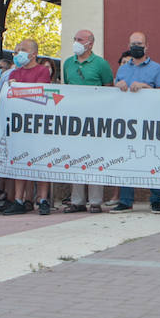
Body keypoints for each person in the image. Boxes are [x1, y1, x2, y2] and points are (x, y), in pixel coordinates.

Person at [113, 31, 160, 212]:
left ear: (146, 46)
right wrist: (117, 86)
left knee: (152, 159)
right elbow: (114, 93)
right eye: (133, 44)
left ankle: (156, 199)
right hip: (127, 121)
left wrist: (146, 87)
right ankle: (126, 200)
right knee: (126, 158)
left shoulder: (156, 68)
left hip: (149, 122)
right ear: (128, 46)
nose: (136, 47)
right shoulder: (122, 69)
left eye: (139, 43)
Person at [0, 38, 55, 215]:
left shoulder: (42, 71)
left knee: (42, 161)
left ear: (33, 54)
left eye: (22, 50)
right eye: (17, 50)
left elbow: (40, 93)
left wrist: (19, 91)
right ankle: (18, 199)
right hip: (19, 123)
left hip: (38, 123)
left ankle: (43, 199)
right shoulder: (15, 73)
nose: (18, 53)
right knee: (19, 160)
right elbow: (11, 94)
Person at [62, 28, 115, 213]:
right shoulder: (68, 63)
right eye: (74, 38)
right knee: (75, 157)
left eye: (80, 39)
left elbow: (109, 88)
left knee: (94, 158)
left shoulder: (101, 64)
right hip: (74, 120)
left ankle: (95, 201)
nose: (76, 42)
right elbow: (66, 88)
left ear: (90, 44)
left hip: (95, 120)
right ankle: (76, 200)